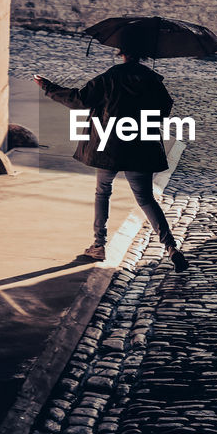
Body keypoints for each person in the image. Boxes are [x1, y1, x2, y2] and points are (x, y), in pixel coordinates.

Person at [33, 43, 190, 270]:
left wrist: (48, 86)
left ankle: (98, 245)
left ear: (122, 53)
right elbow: (165, 108)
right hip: (141, 147)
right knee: (146, 199)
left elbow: (80, 100)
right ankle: (171, 247)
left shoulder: (110, 77)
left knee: (103, 191)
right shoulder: (152, 80)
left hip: (110, 146)